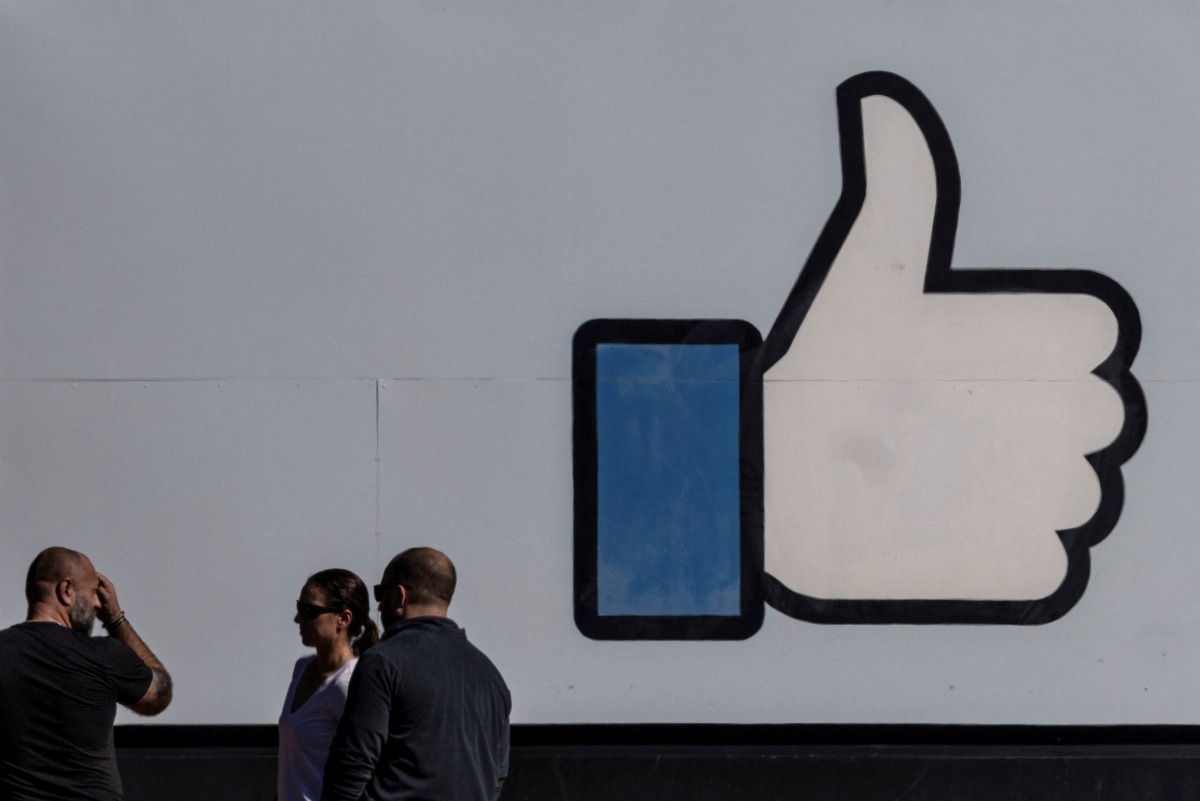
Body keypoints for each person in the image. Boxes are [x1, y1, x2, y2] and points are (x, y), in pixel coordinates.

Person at [321, 547, 511, 801]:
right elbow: (497, 775)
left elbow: (353, 765)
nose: (378, 604)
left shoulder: (383, 662)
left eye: (381, 593)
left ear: (399, 595)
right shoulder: (490, 675)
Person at [0, 546, 172, 801]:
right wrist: (115, 618)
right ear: (66, 590)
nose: (96, 603)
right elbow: (158, 694)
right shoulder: (103, 654)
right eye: (93, 591)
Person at [278, 568, 379, 801]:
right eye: (298, 607)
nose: (297, 618)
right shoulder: (301, 668)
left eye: (308, 610)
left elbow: (367, 766)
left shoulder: (350, 683)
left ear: (343, 619)